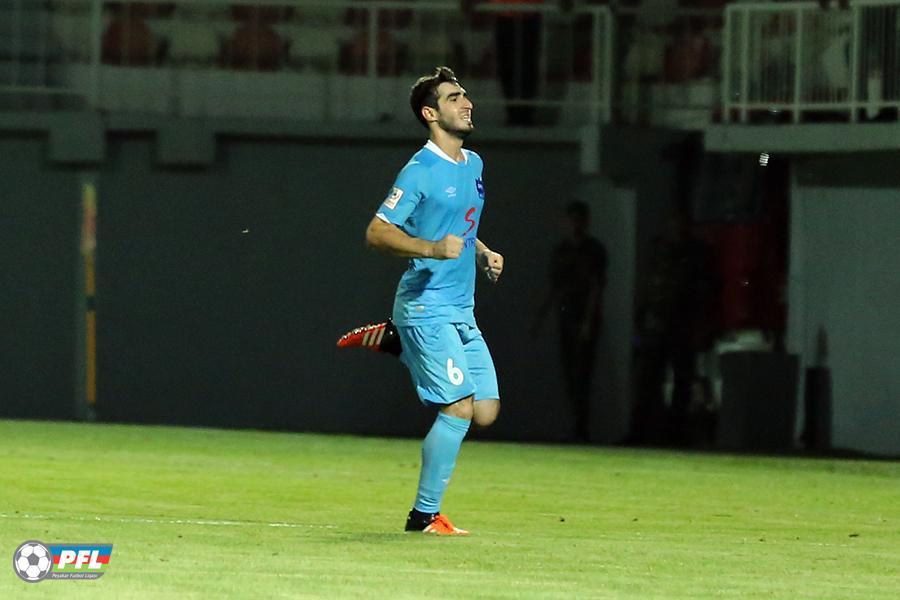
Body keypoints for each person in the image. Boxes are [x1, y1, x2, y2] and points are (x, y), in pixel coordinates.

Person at [349, 66, 505, 535]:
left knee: (485, 412)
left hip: (461, 309)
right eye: (454, 98)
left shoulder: (473, 164)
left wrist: (482, 251)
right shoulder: (418, 171)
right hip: (426, 306)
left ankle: (397, 343)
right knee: (457, 408)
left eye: (465, 95)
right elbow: (376, 233)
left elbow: (461, 225)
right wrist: (431, 249)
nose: (467, 103)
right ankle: (423, 516)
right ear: (430, 114)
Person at [531, 201, 607, 442]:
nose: (575, 225)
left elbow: (596, 287)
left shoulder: (594, 251)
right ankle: (576, 425)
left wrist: (588, 321)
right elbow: (554, 287)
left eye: (578, 220)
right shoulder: (561, 251)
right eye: (571, 220)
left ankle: (581, 427)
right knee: (569, 374)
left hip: (584, 318)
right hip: (566, 317)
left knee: (582, 373)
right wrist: (540, 318)